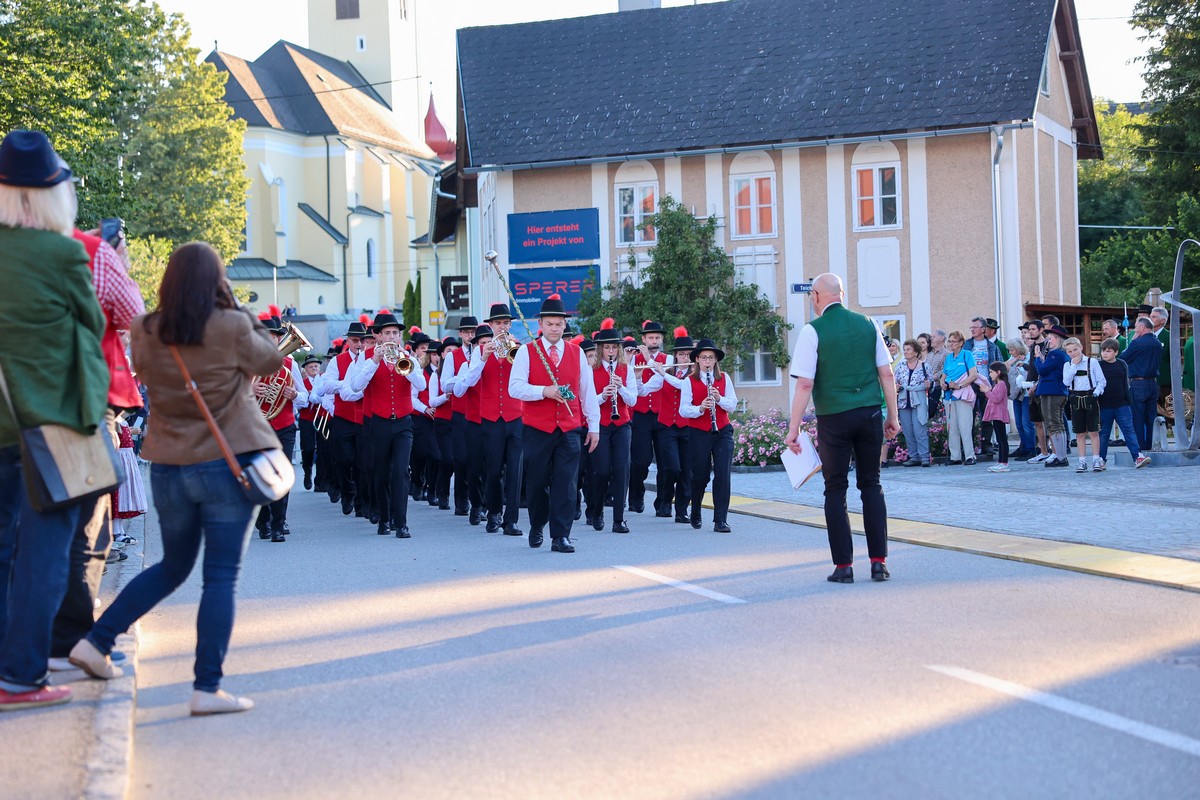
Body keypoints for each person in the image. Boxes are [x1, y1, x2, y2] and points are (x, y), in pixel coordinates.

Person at [68, 241, 281, 716]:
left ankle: (96, 640)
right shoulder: (230, 324)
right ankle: (207, 688)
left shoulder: (145, 329)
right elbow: (270, 360)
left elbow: (142, 372)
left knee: (171, 567)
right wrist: (242, 312)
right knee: (220, 576)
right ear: (217, 282)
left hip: (169, 465)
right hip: (227, 464)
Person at [0, 130, 109, 711]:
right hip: (53, 426)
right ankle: (21, 676)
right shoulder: (63, 252)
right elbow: (90, 326)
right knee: (44, 554)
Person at [784, 273, 899, 584]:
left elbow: (805, 383)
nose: (812, 301)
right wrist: (893, 416)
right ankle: (878, 562)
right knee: (871, 484)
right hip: (869, 413)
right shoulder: (868, 323)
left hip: (834, 417)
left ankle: (844, 566)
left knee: (835, 488)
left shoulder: (813, 331)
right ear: (842, 295)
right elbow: (886, 374)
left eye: (812, 297)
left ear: (818, 297)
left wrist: (793, 429)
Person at [507, 293, 599, 553]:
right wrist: (543, 391)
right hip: (537, 428)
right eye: (550, 324)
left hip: (569, 428)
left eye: (559, 324)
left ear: (564, 325)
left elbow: (587, 391)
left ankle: (561, 536)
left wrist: (594, 427)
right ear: (541, 325)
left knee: (567, 484)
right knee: (536, 483)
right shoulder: (526, 352)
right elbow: (515, 388)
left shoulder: (577, 353)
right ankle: (537, 524)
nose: (555, 328)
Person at [346, 310, 426, 537]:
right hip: (378, 423)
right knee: (380, 473)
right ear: (378, 336)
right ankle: (384, 519)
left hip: (403, 423)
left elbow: (420, 386)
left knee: (401, 472)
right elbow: (355, 386)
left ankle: (401, 523)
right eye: (387, 333)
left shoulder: (407, 357)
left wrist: (408, 365)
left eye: (395, 333)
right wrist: (374, 361)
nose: (392, 337)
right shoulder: (366, 356)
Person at [464, 303, 525, 536]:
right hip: (490, 418)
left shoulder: (519, 349)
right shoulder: (480, 352)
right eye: (498, 323)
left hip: (515, 416)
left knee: (515, 471)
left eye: (506, 323)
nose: (502, 327)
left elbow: (526, 378)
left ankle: (511, 520)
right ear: (490, 325)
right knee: (493, 469)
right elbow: (470, 381)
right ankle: (494, 513)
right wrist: (483, 358)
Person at [252, 306, 306, 542]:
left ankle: (277, 524)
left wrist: (294, 395)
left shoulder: (290, 364)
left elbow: (306, 397)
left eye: (274, 338)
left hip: (284, 426)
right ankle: (262, 520)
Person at [680, 339, 738, 532]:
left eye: (711, 358)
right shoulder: (689, 381)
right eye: (704, 357)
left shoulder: (724, 378)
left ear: (715, 361)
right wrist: (700, 408)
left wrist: (719, 399)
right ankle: (695, 509)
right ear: (697, 359)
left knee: (722, 474)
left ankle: (720, 520)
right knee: (700, 476)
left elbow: (732, 404)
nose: (707, 361)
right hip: (698, 432)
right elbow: (683, 410)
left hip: (722, 430)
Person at [587, 323, 638, 533]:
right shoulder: (592, 370)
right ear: (601, 350)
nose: (610, 352)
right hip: (601, 425)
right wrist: (604, 396)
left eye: (614, 348)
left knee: (621, 469)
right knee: (601, 471)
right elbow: (588, 402)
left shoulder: (628, 369)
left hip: (622, 424)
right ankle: (597, 511)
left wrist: (621, 387)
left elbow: (633, 400)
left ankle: (619, 519)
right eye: (607, 348)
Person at [641, 328, 696, 523]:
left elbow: (682, 386)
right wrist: (636, 380)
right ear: (676, 356)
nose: (684, 357)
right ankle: (663, 500)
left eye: (688, 354)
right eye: (681, 354)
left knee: (687, 471)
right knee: (671, 467)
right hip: (667, 426)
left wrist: (661, 372)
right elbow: (648, 388)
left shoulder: (695, 376)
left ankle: (681, 511)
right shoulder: (668, 371)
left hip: (688, 427)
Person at [320, 317, 369, 515]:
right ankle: (347, 491)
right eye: (355, 340)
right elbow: (326, 385)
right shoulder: (337, 361)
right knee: (343, 460)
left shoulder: (369, 360)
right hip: (343, 417)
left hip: (365, 418)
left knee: (362, 463)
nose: (359, 344)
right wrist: (346, 385)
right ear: (348, 341)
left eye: (361, 340)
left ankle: (360, 502)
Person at [628, 320, 669, 514]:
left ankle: (662, 503)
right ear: (643, 339)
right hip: (641, 415)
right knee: (641, 461)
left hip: (662, 415)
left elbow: (661, 379)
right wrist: (636, 359)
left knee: (665, 462)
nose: (654, 340)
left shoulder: (667, 358)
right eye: (651, 337)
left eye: (657, 337)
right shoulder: (634, 359)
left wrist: (648, 359)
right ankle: (636, 495)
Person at [1097, 338, 1151, 470]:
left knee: (1129, 430)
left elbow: (1125, 384)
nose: (1105, 353)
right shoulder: (1098, 365)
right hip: (1104, 405)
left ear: (1116, 352)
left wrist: (1128, 401)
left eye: (1108, 351)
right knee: (1104, 434)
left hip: (1122, 404)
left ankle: (1137, 456)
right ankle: (1100, 459)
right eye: (1103, 350)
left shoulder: (1122, 364)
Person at [1119, 317, 1162, 453]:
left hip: (1139, 383)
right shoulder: (1157, 342)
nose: (1134, 329)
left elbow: (1122, 359)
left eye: (1137, 326)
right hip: (1153, 383)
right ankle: (1150, 445)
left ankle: (1140, 448)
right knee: (1151, 417)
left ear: (1142, 327)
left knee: (1137, 417)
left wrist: (1132, 342)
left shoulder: (1137, 343)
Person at [1034, 324, 1072, 467]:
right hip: (1056, 391)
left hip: (1052, 391)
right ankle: (1061, 455)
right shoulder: (1060, 354)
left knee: (1053, 424)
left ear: (1057, 339)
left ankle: (1061, 457)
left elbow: (1042, 370)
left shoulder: (1056, 354)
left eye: (1050, 339)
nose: (1048, 341)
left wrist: (1038, 358)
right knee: (1057, 424)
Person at [939, 331, 978, 465]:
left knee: (964, 425)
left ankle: (970, 455)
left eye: (953, 341)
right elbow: (943, 376)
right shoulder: (949, 358)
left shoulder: (967, 355)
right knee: (952, 427)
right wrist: (942, 383)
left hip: (962, 394)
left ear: (961, 343)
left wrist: (959, 385)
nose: (950, 344)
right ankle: (955, 456)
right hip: (949, 396)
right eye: (949, 341)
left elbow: (973, 375)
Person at [966, 316, 1002, 455]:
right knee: (969, 416)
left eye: (975, 327)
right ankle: (970, 446)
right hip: (970, 384)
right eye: (971, 328)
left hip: (987, 385)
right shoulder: (967, 345)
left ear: (983, 329)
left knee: (987, 415)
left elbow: (999, 366)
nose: (972, 330)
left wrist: (997, 385)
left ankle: (986, 444)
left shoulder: (992, 347)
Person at [894, 339, 931, 466]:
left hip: (918, 401)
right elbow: (894, 382)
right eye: (904, 349)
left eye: (908, 349)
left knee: (920, 429)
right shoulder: (900, 366)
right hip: (904, 401)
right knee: (908, 431)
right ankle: (914, 456)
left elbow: (931, 382)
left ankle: (925, 457)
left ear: (916, 352)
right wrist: (897, 386)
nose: (905, 352)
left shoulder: (925, 366)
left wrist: (929, 384)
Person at [431, 337, 459, 510]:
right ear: (442, 354)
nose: (452, 353)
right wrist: (445, 397)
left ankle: (461, 498)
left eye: (454, 351)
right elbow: (432, 401)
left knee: (460, 460)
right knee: (447, 459)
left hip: (459, 420)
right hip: (442, 422)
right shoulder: (437, 375)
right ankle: (442, 493)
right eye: (449, 350)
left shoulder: (464, 370)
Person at [1005, 337, 1035, 459]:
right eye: (1009, 350)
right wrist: (1014, 360)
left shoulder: (1028, 357)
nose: (1011, 352)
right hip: (1016, 393)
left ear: (1018, 348)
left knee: (1026, 423)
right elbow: (1004, 367)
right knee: (1019, 423)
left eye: (1012, 350)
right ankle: (1023, 447)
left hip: (1027, 394)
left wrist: (1022, 364)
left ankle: (1031, 449)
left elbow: (1030, 372)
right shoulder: (1012, 359)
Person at [983, 362, 1011, 472]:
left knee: (1002, 439)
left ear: (998, 372)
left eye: (991, 372)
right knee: (1000, 439)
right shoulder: (998, 385)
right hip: (996, 414)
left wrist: (987, 391)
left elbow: (996, 399)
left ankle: (1004, 462)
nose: (990, 374)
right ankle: (1001, 461)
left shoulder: (1001, 384)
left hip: (999, 414)